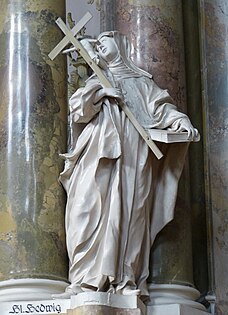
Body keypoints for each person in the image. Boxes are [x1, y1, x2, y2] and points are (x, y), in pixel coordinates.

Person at [56, 31, 198, 299]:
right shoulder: (95, 80)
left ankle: (124, 279)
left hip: (133, 154)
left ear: (121, 46)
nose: (100, 42)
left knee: (132, 214)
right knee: (85, 209)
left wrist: (180, 121)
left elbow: (162, 108)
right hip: (97, 153)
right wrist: (100, 92)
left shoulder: (141, 82)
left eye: (105, 39)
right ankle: (85, 279)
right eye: (98, 43)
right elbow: (78, 110)